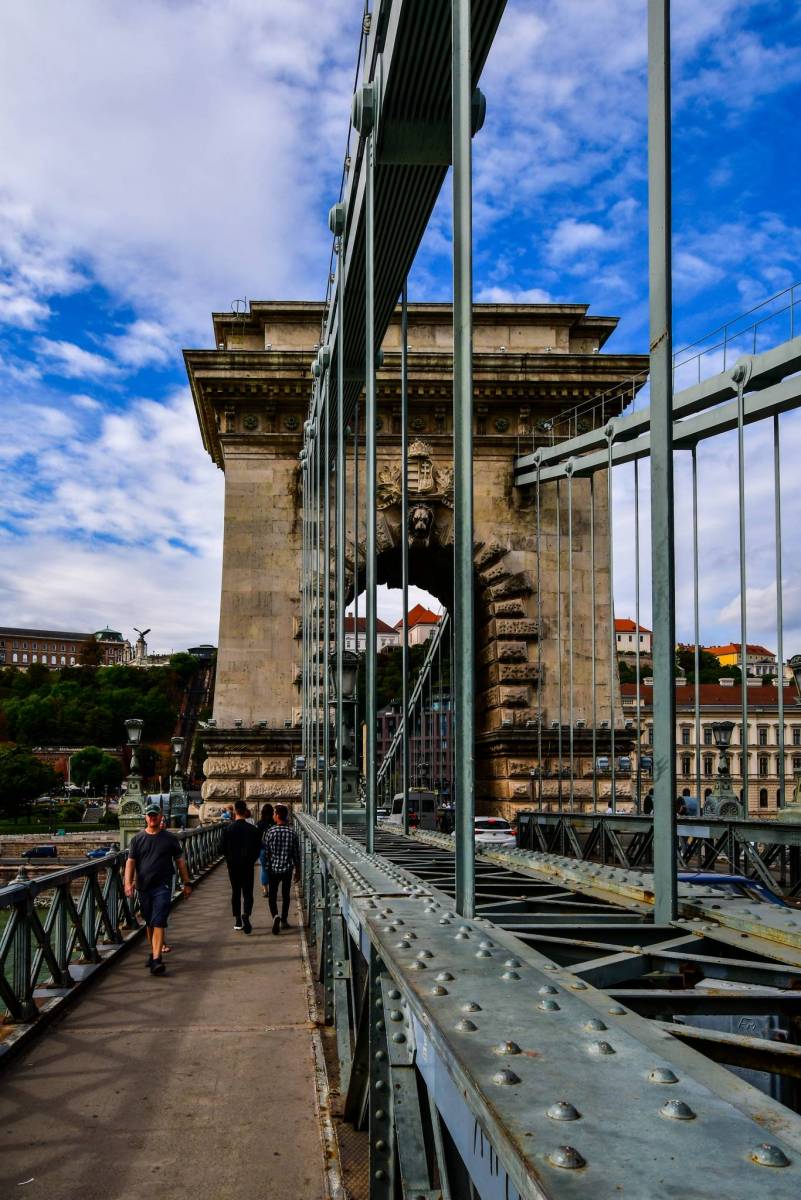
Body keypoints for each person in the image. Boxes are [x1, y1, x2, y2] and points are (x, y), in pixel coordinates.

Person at [124, 804, 191, 976]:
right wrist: (128, 883)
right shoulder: (137, 839)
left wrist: (186, 883)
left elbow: (180, 861)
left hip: (163, 886)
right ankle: (153, 951)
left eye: (155, 815)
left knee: (159, 920)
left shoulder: (170, 839)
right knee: (149, 922)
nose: (153, 817)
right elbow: (130, 862)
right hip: (143, 887)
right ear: (146, 817)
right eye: (150, 815)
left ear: (161, 817)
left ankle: (156, 959)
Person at [222, 798, 263, 933]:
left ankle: (238, 920)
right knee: (247, 892)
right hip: (247, 865)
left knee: (235, 892)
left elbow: (220, 849)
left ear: (234, 811)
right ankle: (246, 913)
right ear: (245, 811)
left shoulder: (227, 829)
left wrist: (229, 858)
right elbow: (258, 848)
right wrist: (252, 860)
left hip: (233, 866)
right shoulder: (253, 830)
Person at [263, 803, 300, 935]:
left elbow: (266, 852)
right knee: (286, 896)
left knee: (272, 896)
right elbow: (296, 854)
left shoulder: (270, 832)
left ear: (278, 816)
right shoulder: (292, 833)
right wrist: (298, 871)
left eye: (274, 814)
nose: (273, 816)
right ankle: (284, 920)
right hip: (287, 870)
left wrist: (267, 867)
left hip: (273, 869)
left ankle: (275, 915)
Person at [257, 803, 275, 898]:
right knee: (273, 869)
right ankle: (272, 889)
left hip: (263, 849)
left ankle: (265, 889)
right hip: (273, 850)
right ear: (272, 813)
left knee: (264, 869)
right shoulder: (274, 823)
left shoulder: (259, 824)